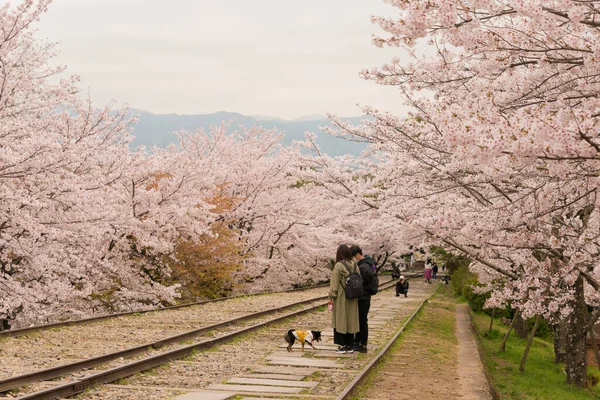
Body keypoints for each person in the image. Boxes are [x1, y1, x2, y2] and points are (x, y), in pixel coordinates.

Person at [328, 244, 360, 354]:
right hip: (353, 296)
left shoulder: (338, 266)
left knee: (340, 318)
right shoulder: (355, 265)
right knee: (351, 319)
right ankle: (349, 345)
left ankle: (342, 346)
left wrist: (331, 297)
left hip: (342, 296)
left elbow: (334, 284)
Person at [350, 245, 374, 353]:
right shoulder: (369, 263)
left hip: (363, 296)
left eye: (354, 257)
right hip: (364, 296)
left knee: (362, 320)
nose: (353, 260)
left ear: (358, 255)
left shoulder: (364, 266)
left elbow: (362, 282)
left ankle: (363, 344)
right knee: (360, 319)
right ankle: (357, 341)